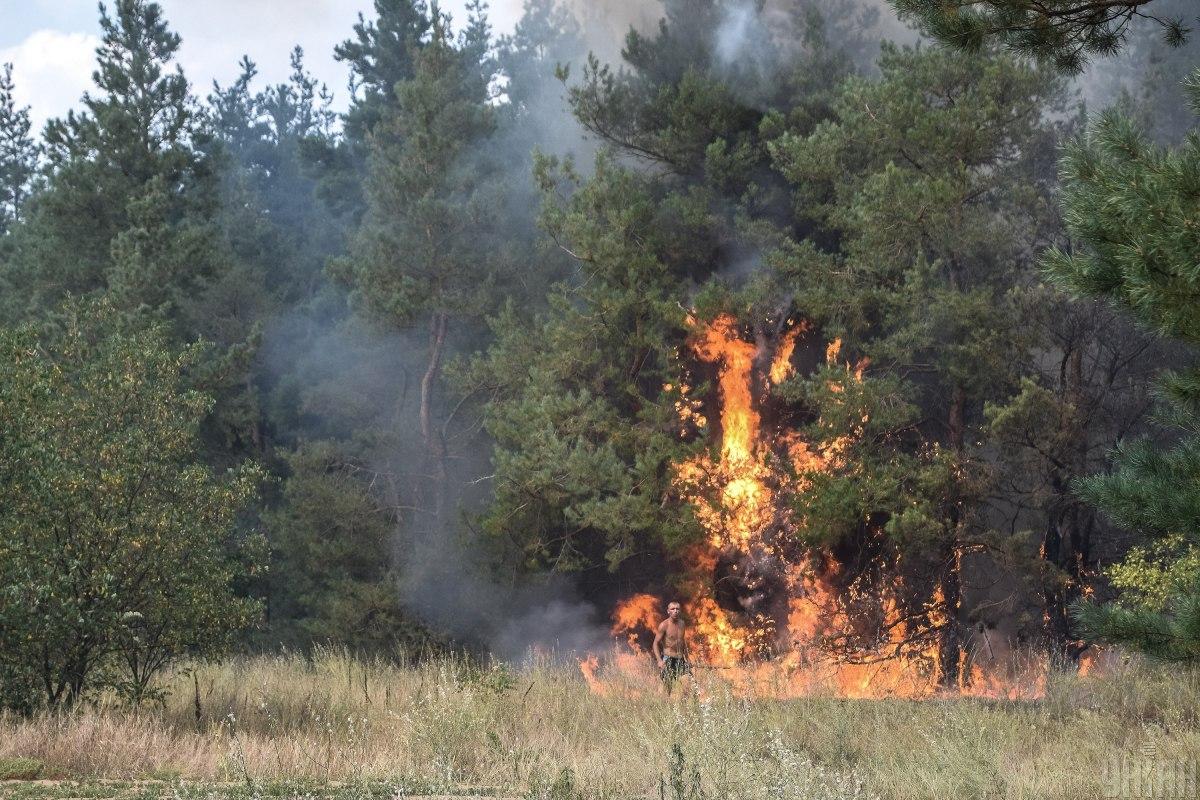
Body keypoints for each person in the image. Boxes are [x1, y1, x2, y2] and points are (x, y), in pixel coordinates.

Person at [652, 600, 690, 694]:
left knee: (688, 685)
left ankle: (683, 706)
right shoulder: (664, 625)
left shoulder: (682, 624)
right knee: (666, 688)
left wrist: (687, 658)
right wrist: (659, 661)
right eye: (672, 609)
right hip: (668, 659)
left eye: (677, 609)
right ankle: (661, 705)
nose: (675, 611)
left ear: (680, 611)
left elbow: (682, 642)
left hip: (680, 659)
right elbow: (655, 643)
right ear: (668, 611)